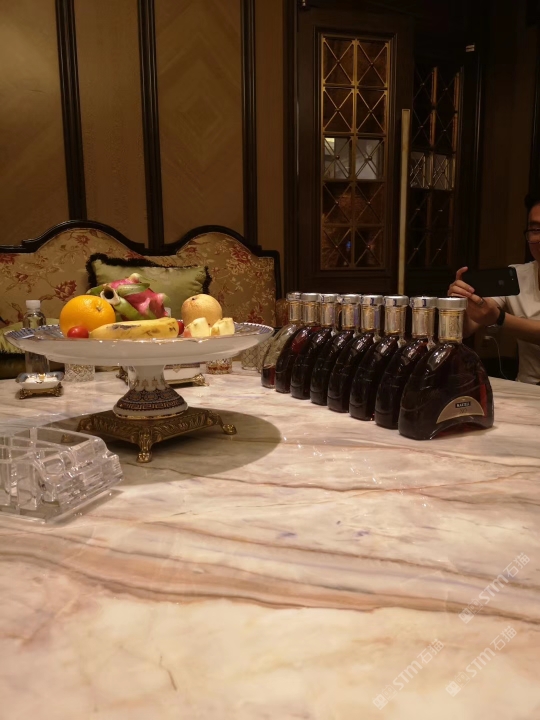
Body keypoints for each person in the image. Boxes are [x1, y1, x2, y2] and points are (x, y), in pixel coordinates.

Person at [448, 195, 540, 384]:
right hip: (527, 389)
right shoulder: (517, 275)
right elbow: (467, 327)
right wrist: (458, 303)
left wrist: (499, 318)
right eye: (535, 229)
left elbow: (493, 316)